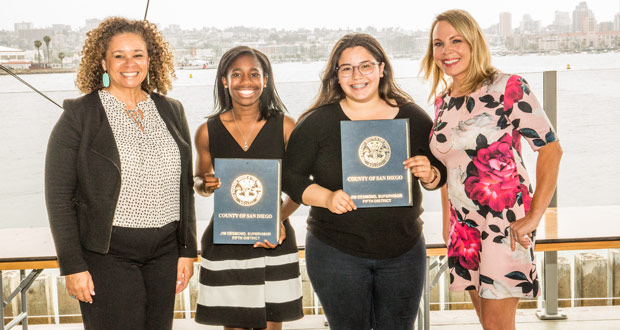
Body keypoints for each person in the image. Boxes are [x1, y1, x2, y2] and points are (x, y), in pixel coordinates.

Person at [282, 33, 446, 330]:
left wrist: (430, 174)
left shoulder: (412, 117)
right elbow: (291, 178)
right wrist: (327, 198)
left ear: (382, 69)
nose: (357, 76)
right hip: (335, 252)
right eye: (346, 68)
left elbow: (440, 172)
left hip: (403, 252)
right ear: (337, 75)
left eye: (366, 66)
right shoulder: (317, 122)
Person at [44, 17, 196, 330]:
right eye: (119, 55)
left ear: (150, 60)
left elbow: (185, 188)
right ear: (103, 61)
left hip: (165, 254)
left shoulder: (172, 110)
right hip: (107, 255)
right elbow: (59, 196)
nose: (130, 63)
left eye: (138, 54)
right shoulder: (80, 115)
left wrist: (186, 250)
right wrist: (72, 266)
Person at [420, 9, 563, 330]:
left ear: (473, 43)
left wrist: (535, 216)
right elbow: (448, 169)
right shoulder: (443, 102)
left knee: (498, 325)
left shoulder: (508, 87)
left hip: (504, 225)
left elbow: (551, 149)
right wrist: (448, 227)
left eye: (456, 40)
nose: (446, 51)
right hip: (464, 230)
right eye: (438, 44)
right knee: (488, 323)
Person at [193, 46, 304, 330]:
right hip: (226, 239)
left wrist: (275, 220)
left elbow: (300, 190)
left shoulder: (285, 127)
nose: (246, 82)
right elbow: (198, 182)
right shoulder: (207, 131)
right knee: (234, 325)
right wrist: (205, 184)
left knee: (271, 326)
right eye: (237, 74)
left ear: (265, 80)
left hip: (273, 239)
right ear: (224, 80)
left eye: (254, 74)